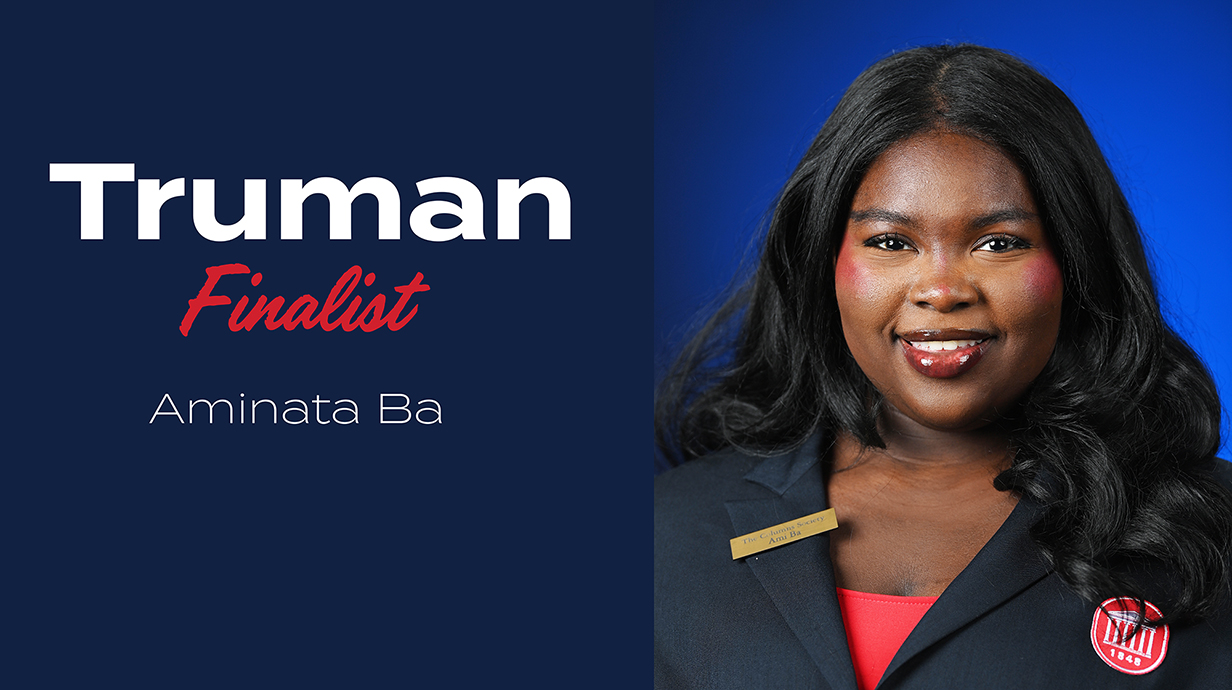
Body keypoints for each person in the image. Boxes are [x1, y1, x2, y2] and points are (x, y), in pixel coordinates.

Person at [654, 44, 1232, 689]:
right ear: (826, 266)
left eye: (999, 242)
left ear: (1075, 263)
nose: (941, 289)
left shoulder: (1212, 530)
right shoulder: (666, 530)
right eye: (891, 242)